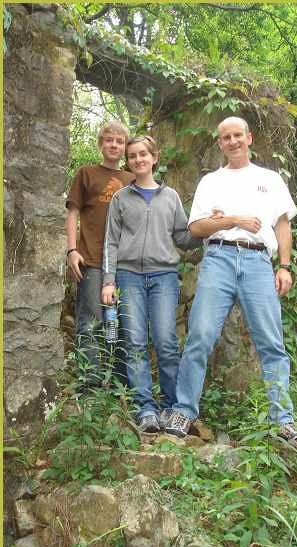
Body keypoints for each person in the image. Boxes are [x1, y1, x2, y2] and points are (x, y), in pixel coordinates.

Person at [165, 116, 297, 441]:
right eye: (226, 137)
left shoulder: (270, 179)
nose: (232, 141)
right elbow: (195, 228)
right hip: (218, 259)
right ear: (220, 143)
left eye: (237, 135)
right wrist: (232, 220)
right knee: (199, 336)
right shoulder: (210, 182)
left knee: (272, 342)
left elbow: (282, 225)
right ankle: (183, 412)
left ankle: (283, 419)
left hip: (258, 261)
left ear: (249, 138)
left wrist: (284, 266)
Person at [101, 135, 206, 432]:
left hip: (164, 278)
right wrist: (108, 281)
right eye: (132, 156)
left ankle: (173, 407)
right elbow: (110, 242)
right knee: (134, 342)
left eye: (143, 154)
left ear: (154, 158)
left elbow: (183, 238)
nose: (138, 160)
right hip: (128, 276)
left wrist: (207, 227)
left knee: (166, 342)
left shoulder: (170, 197)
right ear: (129, 161)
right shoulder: (121, 198)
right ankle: (145, 408)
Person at [66, 121, 135, 387]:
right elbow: (72, 212)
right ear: (101, 143)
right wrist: (72, 250)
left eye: (119, 141)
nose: (114, 145)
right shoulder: (86, 173)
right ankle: (90, 387)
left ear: (125, 147)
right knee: (90, 324)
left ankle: (120, 386)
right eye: (109, 140)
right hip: (91, 259)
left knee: (124, 326)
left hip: (125, 264)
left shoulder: (131, 180)